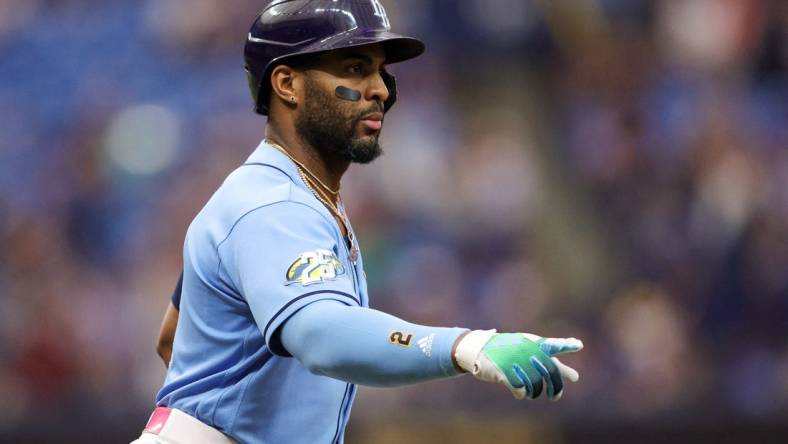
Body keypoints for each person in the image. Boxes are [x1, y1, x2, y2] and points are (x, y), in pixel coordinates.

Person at [133, 1, 584, 443]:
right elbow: (319, 335)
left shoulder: (287, 195)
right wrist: (462, 346)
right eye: (353, 69)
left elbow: (174, 336)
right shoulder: (274, 205)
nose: (381, 90)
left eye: (380, 71)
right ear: (287, 84)